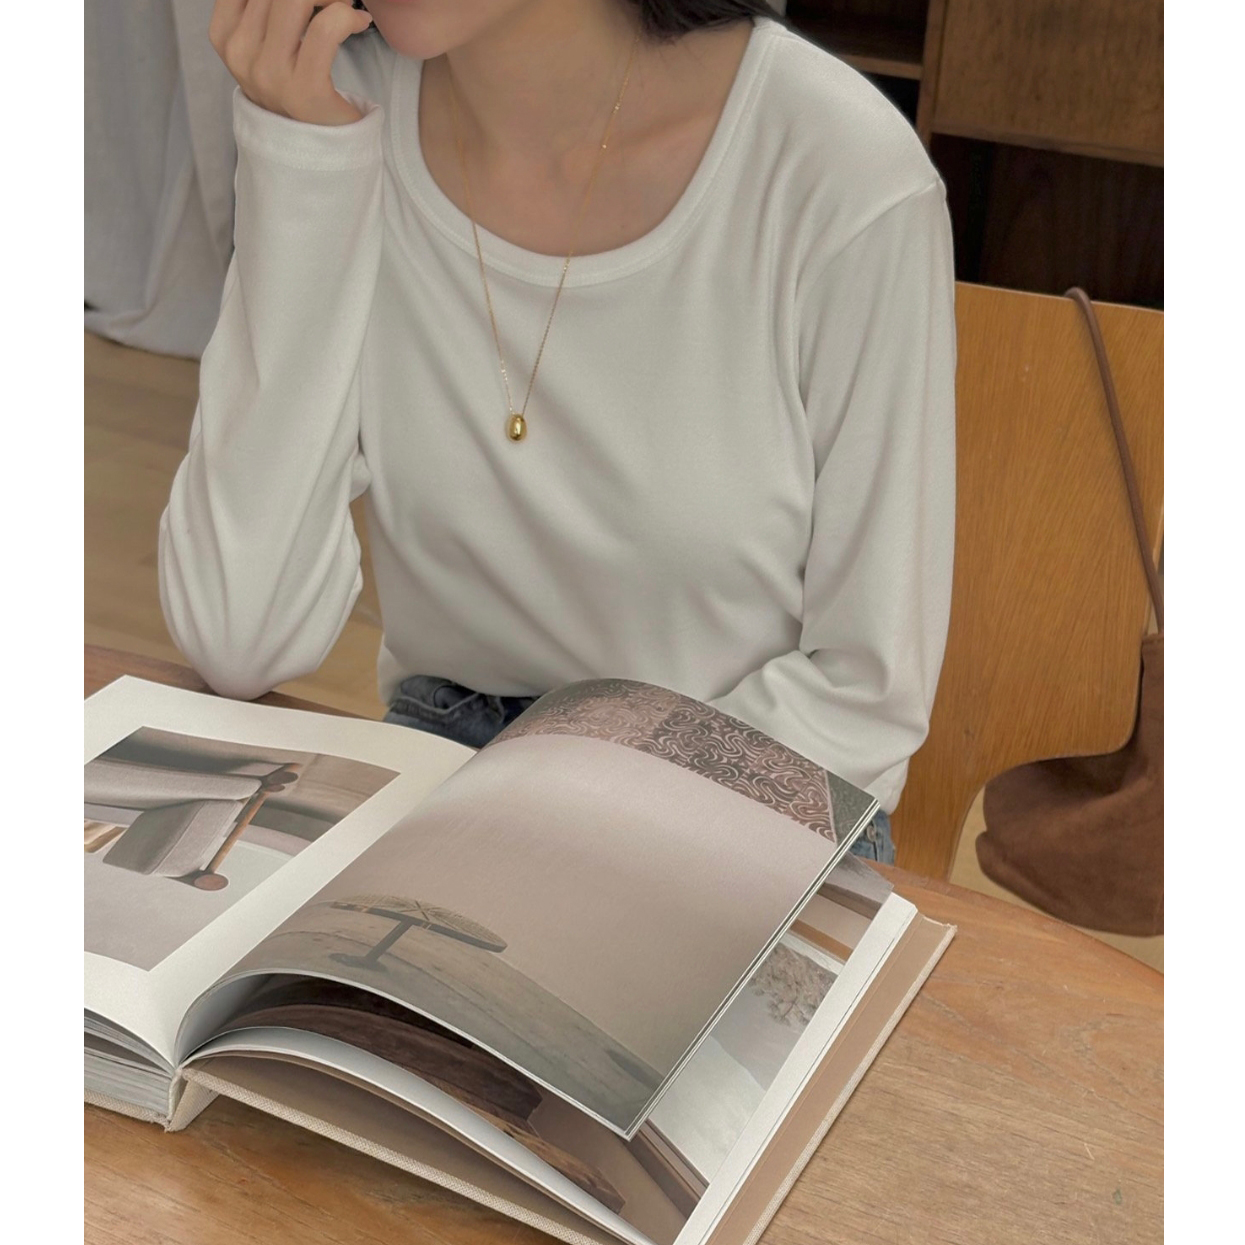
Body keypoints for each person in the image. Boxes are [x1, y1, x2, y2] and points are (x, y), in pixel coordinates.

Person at [158, 0, 959, 865]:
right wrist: (301, 162)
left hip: (753, 789)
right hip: (447, 755)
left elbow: (861, 697)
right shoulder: (341, 110)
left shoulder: (838, 170)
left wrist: (559, 813)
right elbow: (239, 637)